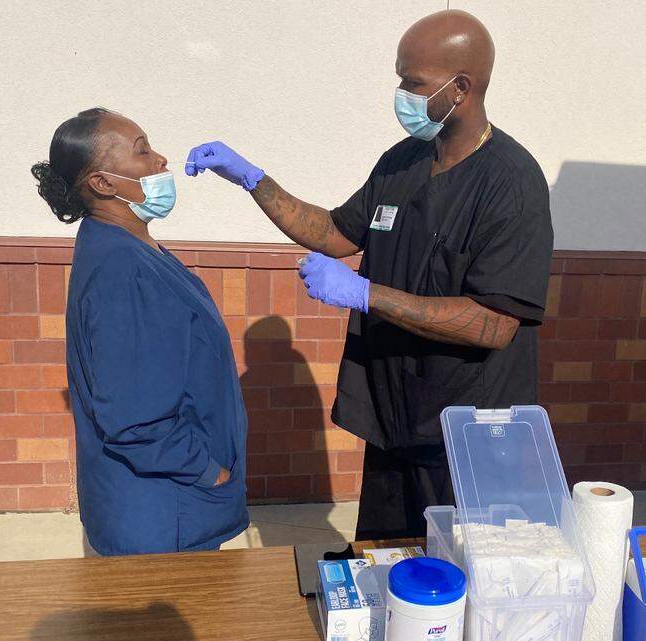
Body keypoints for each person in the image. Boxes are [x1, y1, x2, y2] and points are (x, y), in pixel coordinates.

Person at [185, 10, 553, 539]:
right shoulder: (402, 162)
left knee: (453, 575)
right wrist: (254, 181)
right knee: (384, 557)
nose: (401, 94)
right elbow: (337, 232)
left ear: (462, 88)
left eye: (414, 83)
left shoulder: (511, 183)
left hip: (464, 434)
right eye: (400, 78)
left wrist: (365, 293)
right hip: (393, 415)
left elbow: (493, 323)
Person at [31, 108, 248, 555]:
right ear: (103, 184)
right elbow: (133, 420)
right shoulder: (123, 270)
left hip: (167, 507)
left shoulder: (129, 247)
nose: (160, 160)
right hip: (163, 519)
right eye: (142, 151)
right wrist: (209, 472)